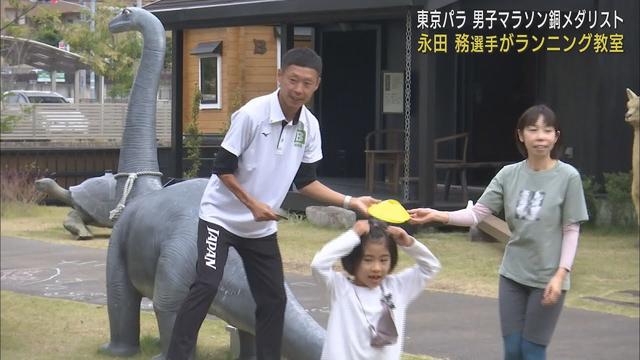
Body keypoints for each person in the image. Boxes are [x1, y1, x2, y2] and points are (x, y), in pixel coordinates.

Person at [167, 48, 378, 360]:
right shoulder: (253, 114)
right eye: (292, 80)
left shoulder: (310, 126)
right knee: (207, 285)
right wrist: (252, 204)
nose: (298, 89)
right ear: (279, 76)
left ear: (317, 85)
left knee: (274, 299)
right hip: (220, 218)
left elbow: (306, 182)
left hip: (260, 228)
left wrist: (351, 201)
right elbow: (222, 168)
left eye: (307, 83)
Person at [408, 104, 589, 360]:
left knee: (532, 351)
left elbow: (571, 230)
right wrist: (438, 215)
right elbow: (477, 214)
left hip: (548, 279)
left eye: (548, 130)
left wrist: (561, 275)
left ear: (556, 137)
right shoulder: (508, 174)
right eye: (533, 129)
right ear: (520, 135)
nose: (540, 136)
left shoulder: (568, 177)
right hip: (512, 276)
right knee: (513, 350)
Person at [311, 219, 441, 360]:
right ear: (353, 260)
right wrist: (353, 235)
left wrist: (409, 243)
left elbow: (431, 267)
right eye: (368, 259)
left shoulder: (398, 288)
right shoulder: (340, 288)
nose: (376, 268)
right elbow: (318, 264)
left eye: (384, 260)